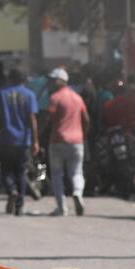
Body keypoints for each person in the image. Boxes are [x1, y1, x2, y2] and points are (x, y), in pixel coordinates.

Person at [0, 69, 39, 216]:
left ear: (9, 79)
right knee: (21, 173)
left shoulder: (1, 94)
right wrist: (35, 141)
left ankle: (11, 190)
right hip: (23, 141)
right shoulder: (29, 95)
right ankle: (19, 205)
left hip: (6, 139)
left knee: (5, 170)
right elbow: (32, 120)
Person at [45, 67, 90, 216]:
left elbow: (47, 118)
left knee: (57, 174)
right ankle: (77, 193)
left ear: (61, 81)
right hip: (77, 142)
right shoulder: (78, 98)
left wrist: (39, 134)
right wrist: (83, 135)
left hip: (57, 140)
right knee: (76, 172)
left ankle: (61, 207)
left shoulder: (55, 98)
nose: (50, 83)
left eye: (53, 80)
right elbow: (86, 120)